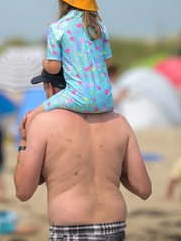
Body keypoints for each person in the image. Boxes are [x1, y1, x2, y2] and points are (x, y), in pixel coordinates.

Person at [15, 68, 151, 240]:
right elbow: (144, 189)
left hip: (70, 228)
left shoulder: (43, 123)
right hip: (114, 227)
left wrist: (24, 142)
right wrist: (112, 167)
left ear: (50, 88)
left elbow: (23, 191)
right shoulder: (118, 122)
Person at [28, 0, 114, 123]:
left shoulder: (58, 27)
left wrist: (44, 62)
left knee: (31, 118)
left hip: (76, 96)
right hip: (106, 99)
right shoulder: (100, 27)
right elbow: (106, 63)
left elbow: (54, 67)